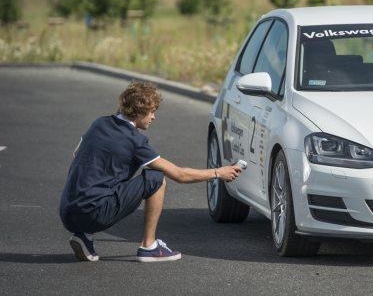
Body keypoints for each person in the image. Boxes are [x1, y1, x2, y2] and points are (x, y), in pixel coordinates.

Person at [59, 81, 241, 262]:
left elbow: (77, 153)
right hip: (95, 214)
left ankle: (84, 235)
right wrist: (218, 172)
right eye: (152, 111)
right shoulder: (135, 141)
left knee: (105, 180)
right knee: (156, 178)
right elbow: (180, 174)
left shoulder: (99, 123)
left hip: (67, 212)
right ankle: (149, 246)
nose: (153, 117)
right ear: (138, 111)